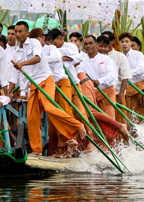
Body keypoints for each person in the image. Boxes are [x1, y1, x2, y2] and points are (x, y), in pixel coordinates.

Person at [8, 22, 86, 156]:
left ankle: (76, 126)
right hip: (33, 84)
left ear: (27, 33)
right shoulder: (16, 52)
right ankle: (37, 150)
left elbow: (38, 58)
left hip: (46, 80)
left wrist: (22, 64)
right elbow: (14, 76)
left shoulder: (34, 43)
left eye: (21, 31)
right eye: (16, 32)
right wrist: (8, 93)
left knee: (49, 107)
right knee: (32, 117)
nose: (18, 34)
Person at [77, 35, 118, 119]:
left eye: (90, 43)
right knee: (95, 121)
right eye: (86, 44)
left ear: (96, 45)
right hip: (92, 95)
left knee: (109, 120)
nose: (88, 46)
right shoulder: (82, 63)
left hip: (107, 94)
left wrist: (99, 81)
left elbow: (112, 76)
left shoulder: (106, 59)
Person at [119, 32, 144, 121]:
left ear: (130, 43)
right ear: (120, 43)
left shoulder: (138, 54)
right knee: (132, 116)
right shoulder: (119, 57)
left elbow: (141, 69)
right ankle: (136, 134)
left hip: (142, 86)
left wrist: (126, 74)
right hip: (130, 90)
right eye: (122, 42)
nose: (124, 44)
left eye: (126, 41)